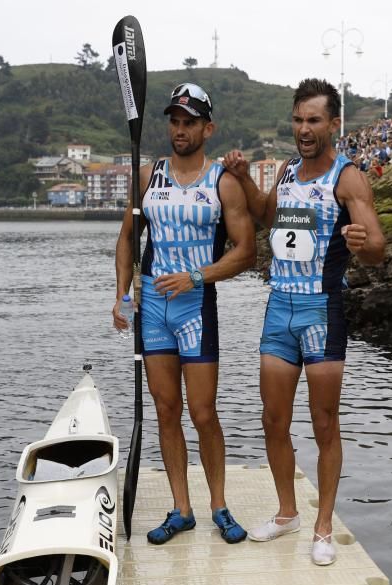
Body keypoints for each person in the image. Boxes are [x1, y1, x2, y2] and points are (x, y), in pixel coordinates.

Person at [222, 78, 386, 566]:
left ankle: (323, 527)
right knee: (273, 419)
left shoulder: (348, 177)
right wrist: (245, 178)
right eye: (297, 120)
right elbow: (267, 217)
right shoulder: (290, 169)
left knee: (324, 423)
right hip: (280, 307)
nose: (304, 129)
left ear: (333, 124)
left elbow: (378, 247)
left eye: (313, 120)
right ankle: (288, 512)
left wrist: (363, 244)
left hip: (322, 308)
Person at [112, 82, 256, 545]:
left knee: (203, 412)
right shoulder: (148, 175)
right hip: (152, 308)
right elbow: (127, 240)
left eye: (189, 122)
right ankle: (181, 508)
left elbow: (247, 252)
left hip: (195, 307)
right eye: (174, 121)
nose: (179, 129)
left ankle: (219, 505)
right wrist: (121, 295)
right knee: (166, 409)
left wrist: (197, 277)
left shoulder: (223, 182)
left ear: (207, 128)